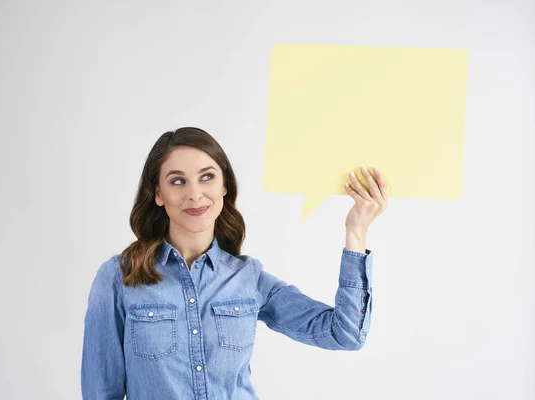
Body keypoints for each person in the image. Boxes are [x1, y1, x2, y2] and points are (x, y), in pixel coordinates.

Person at [81, 127, 389, 400]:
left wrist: (356, 232)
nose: (195, 194)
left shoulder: (247, 278)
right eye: (178, 181)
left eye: (207, 177)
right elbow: (100, 392)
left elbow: (345, 334)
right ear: (158, 194)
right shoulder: (120, 278)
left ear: (224, 185)